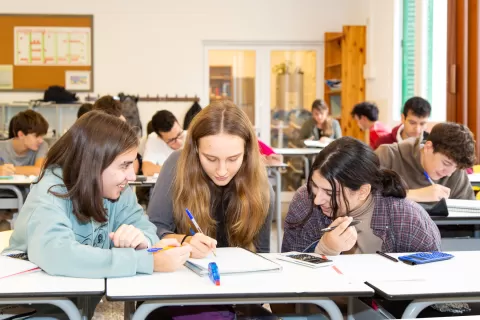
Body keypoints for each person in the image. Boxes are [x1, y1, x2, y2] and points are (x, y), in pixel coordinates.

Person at [3, 111, 191, 278]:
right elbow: (57, 254)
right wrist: (145, 262)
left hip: (76, 301)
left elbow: (149, 231)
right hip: (29, 304)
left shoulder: (119, 189)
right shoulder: (51, 190)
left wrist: (142, 240)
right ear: (93, 163)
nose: (132, 176)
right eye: (124, 165)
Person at [148, 100, 274, 257]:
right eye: (211, 158)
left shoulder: (262, 188)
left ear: (247, 152)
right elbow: (152, 232)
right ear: (195, 149)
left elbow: (262, 255)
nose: (222, 171)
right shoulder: (176, 166)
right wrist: (185, 241)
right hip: (185, 274)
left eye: (233, 159)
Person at [282, 137, 441, 255]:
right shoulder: (305, 200)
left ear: (363, 191)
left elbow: (437, 286)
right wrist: (324, 250)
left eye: (330, 193)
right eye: (314, 186)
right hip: (326, 300)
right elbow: (287, 282)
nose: (317, 199)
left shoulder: (407, 218)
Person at [375, 122, 476, 202]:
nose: (449, 173)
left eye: (456, 167)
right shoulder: (388, 155)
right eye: (446, 163)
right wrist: (414, 195)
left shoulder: (455, 171)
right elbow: (363, 197)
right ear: (428, 147)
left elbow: (470, 214)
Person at [0, 110, 49, 176]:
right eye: (36, 136)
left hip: (28, 186)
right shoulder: (1, 147)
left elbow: (39, 170)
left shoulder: (42, 146)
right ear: (21, 135)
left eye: (42, 136)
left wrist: (8, 170)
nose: (41, 140)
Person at [142, 110, 186, 176]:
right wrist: (180, 170)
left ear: (179, 124)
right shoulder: (154, 138)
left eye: (179, 134)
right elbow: (147, 170)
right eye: (172, 140)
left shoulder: (191, 135)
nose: (178, 142)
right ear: (159, 137)